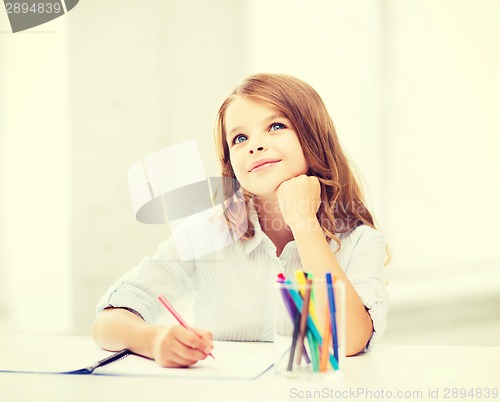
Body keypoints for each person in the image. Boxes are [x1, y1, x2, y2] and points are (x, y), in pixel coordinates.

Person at [92, 73, 389, 368]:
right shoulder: (205, 233)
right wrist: (153, 341)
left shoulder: (360, 240)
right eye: (240, 138)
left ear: (314, 139)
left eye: (276, 126)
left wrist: (304, 223)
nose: (255, 145)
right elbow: (107, 323)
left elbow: (349, 340)